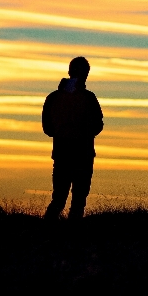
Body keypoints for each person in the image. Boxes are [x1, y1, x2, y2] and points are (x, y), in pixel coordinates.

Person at [41, 56, 104, 220]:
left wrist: (63, 134)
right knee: (77, 202)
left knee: (59, 200)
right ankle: (73, 238)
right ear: (86, 74)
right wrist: (83, 135)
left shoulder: (53, 97)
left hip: (63, 154)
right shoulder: (89, 98)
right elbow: (98, 125)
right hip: (82, 155)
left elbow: (47, 128)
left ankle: (46, 234)